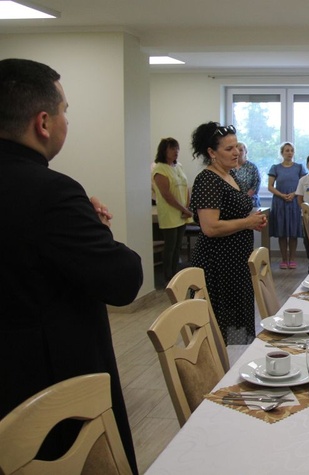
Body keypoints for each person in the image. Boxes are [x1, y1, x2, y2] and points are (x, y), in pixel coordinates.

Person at [0, 58, 143, 473]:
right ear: (43, 122)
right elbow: (123, 280)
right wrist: (98, 231)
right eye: (65, 111)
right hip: (47, 382)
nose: (66, 120)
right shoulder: (51, 192)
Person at [189, 121, 267, 345]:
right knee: (217, 331)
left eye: (236, 147)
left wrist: (251, 222)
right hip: (218, 265)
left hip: (235, 263)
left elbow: (234, 216)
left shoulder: (230, 175)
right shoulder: (207, 180)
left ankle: (232, 367)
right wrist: (246, 222)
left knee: (235, 328)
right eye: (229, 148)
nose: (236, 152)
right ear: (211, 152)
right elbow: (210, 227)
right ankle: (218, 374)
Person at [152, 137, 193, 282]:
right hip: (169, 213)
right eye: (172, 148)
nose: (176, 151)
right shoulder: (159, 169)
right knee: (170, 247)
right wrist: (184, 209)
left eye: (177, 148)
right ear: (164, 150)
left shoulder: (179, 166)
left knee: (177, 246)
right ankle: (167, 277)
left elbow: (186, 187)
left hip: (182, 212)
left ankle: (176, 274)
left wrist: (187, 207)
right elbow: (166, 195)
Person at [268, 142, 306, 269]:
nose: (289, 153)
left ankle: (293, 259)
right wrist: (282, 195)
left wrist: (294, 194)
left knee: (293, 232)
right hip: (280, 202)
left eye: (291, 150)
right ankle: (284, 259)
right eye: (287, 150)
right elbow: (270, 186)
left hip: (294, 202)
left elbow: (304, 185)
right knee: (282, 232)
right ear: (282, 153)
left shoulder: (299, 167)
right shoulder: (275, 168)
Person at [234, 142, 261, 208]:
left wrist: (245, 199)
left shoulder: (252, 167)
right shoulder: (229, 167)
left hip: (251, 202)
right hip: (234, 202)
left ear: (245, 152)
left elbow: (256, 184)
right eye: (237, 150)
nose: (239, 152)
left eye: (241, 150)